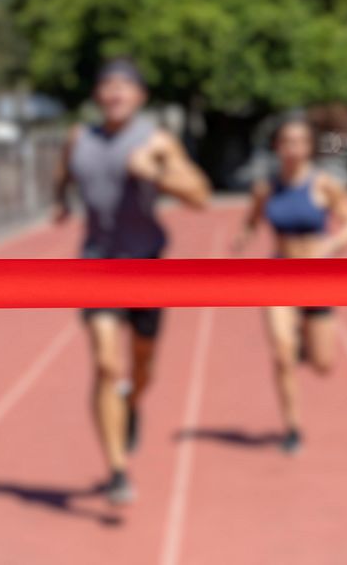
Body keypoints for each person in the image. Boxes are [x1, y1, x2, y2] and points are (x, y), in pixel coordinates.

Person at [54, 58, 211, 504]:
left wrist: (157, 172)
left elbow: (201, 194)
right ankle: (118, 468)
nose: (115, 92)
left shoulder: (156, 141)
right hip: (97, 265)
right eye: (107, 85)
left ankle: (133, 402)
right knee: (106, 364)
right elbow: (64, 172)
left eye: (125, 86)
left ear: (140, 97)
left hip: (146, 265)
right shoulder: (78, 138)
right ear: (97, 96)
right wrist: (60, 202)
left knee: (143, 367)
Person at [234, 118, 347, 455]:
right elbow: (252, 218)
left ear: (308, 147)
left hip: (317, 277)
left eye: (299, 141)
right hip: (279, 275)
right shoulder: (267, 188)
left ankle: (306, 339)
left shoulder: (324, 185)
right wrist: (243, 237)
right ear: (277, 147)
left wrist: (332, 245)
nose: (292, 148)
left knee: (323, 364)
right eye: (285, 141)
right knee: (280, 352)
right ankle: (292, 426)